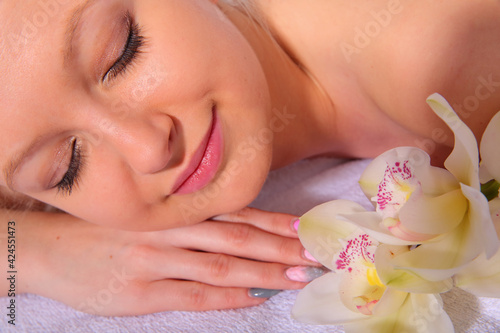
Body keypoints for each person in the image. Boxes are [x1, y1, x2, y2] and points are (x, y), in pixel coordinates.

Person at [1, 0, 500, 316]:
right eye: (65, 168)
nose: (148, 148)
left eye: (123, 53)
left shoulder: (440, 54)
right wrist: (35, 252)